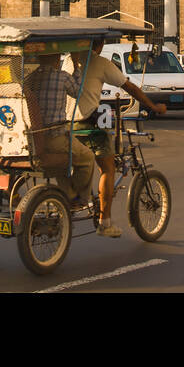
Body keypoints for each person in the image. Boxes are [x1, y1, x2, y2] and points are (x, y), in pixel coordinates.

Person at [71, 37, 166, 238]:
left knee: (87, 158)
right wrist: (153, 106)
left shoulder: (70, 60)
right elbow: (129, 87)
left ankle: (83, 197)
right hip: (88, 121)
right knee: (108, 168)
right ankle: (105, 222)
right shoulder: (100, 62)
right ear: (100, 45)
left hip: (67, 123)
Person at [22, 53, 95, 211]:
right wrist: (76, 67)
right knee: (87, 158)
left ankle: (67, 194)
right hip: (55, 136)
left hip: (34, 139)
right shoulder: (62, 77)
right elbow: (78, 92)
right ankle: (79, 197)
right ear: (56, 60)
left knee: (62, 164)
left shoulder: (30, 79)